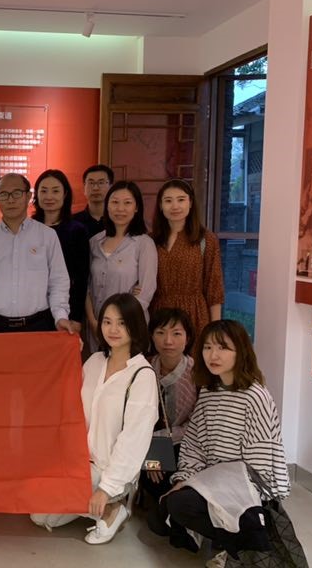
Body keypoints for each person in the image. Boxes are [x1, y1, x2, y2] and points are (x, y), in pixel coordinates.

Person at [30, 293, 158, 544]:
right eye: (107, 322)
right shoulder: (95, 361)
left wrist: (106, 488)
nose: (113, 329)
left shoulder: (142, 375)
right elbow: (68, 403)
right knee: (39, 516)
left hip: (109, 469)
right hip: (78, 461)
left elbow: (134, 442)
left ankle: (112, 506)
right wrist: (67, 354)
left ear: (135, 325)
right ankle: (98, 507)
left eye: (122, 323)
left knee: (49, 502)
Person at [163, 320, 290, 567]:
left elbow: (257, 466)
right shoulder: (208, 391)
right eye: (208, 347)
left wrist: (207, 486)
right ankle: (227, 535)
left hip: (245, 485)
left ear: (240, 351)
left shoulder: (255, 396)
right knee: (163, 512)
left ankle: (236, 546)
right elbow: (194, 444)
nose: (213, 355)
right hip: (210, 478)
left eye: (223, 348)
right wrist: (185, 479)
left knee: (180, 504)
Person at [0, 173, 74, 335]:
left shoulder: (47, 235)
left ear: (28, 196)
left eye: (16, 193)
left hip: (39, 325)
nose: (10, 200)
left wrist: (60, 316)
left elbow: (58, 281)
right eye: (4, 194)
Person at [140, 308, 198, 531]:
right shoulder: (143, 367)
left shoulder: (197, 373)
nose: (168, 341)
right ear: (151, 335)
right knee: (153, 476)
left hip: (185, 442)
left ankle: (172, 515)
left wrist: (163, 439)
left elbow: (196, 424)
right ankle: (166, 511)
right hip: (147, 442)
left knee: (179, 475)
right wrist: (153, 448)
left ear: (187, 337)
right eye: (160, 332)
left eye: (176, 333)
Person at [85, 180, 157, 351]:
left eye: (127, 203)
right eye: (115, 202)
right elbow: (86, 287)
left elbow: (146, 291)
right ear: (107, 205)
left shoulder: (143, 243)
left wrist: (118, 324)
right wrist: (93, 321)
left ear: (136, 207)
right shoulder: (95, 242)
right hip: (96, 326)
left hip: (129, 328)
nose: (120, 209)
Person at [150, 179, 225, 337]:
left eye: (181, 200)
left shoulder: (206, 239)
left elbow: (214, 287)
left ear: (190, 203)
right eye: (168, 201)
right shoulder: (151, 240)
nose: (175, 206)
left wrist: (215, 330)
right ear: (160, 205)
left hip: (194, 315)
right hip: (159, 315)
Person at [32, 169, 90, 332]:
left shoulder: (77, 230)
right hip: (33, 310)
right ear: (36, 195)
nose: (49, 196)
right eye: (44, 191)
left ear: (65, 194)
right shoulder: (28, 228)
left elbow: (81, 278)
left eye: (55, 191)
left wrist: (76, 317)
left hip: (65, 309)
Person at [72, 164, 114, 238]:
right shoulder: (72, 222)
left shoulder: (118, 220)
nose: (95, 188)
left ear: (111, 187)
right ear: (84, 187)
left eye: (101, 183)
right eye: (91, 183)